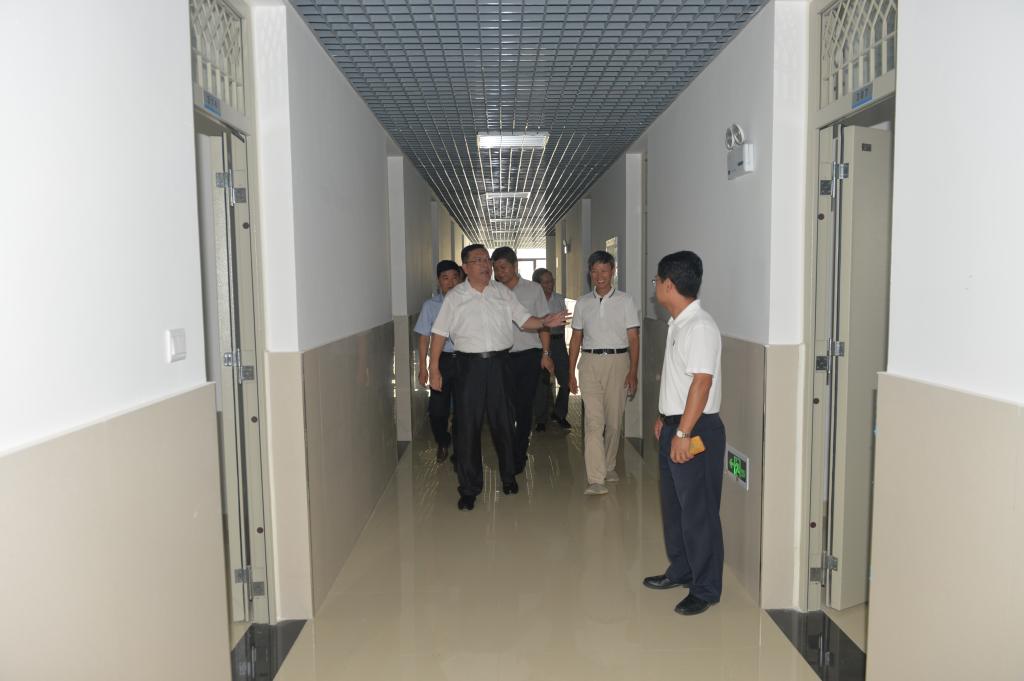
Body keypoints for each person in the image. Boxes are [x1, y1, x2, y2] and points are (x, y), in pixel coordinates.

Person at [430, 244, 569, 511]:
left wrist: (544, 321)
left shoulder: (502, 292)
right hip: (468, 367)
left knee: (503, 422)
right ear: (466, 267)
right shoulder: (456, 297)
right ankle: (469, 488)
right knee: (467, 428)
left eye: (487, 260)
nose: (485, 265)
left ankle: (508, 477)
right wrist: (434, 369)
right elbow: (439, 333)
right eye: (478, 260)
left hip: (500, 364)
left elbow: (524, 320)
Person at [643, 250, 726, 616]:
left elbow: (702, 384)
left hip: (695, 430)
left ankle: (705, 588)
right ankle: (681, 569)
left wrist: (683, 433)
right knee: (675, 508)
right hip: (677, 424)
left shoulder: (700, 327)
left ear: (669, 285)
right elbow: (681, 381)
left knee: (698, 512)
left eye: (657, 281)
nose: (656, 287)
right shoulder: (677, 322)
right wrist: (666, 419)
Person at [568, 250, 639, 495]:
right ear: (590, 273)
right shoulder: (583, 303)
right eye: (594, 271)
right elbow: (575, 339)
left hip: (619, 362)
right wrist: (570, 372)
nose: (599, 276)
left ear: (612, 272)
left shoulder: (626, 301)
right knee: (593, 422)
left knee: (614, 422)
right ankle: (596, 478)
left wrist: (633, 371)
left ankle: (609, 465)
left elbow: (633, 338)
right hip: (589, 362)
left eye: (604, 271)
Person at [491, 247, 553, 472]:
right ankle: (508, 450)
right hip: (501, 357)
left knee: (524, 406)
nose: (499, 273)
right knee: (504, 408)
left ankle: (519, 452)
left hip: (528, 356)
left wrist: (546, 354)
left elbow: (544, 324)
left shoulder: (533, 290)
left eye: (503, 267)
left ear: (515, 265)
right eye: (496, 269)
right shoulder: (491, 291)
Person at [415, 260, 463, 463]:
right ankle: (443, 440)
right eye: (445, 278)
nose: (451, 283)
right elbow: (424, 337)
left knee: (463, 409)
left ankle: (460, 449)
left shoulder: (468, 303)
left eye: (455, 277)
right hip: (441, 362)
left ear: (460, 279)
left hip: (465, 360)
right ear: (438, 281)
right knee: (437, 410)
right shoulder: (430, 306)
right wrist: (423, 367)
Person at [531, 268, 571, 431]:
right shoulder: (533, 301)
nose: (550, 284)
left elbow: (564, 321)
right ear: (537, 285)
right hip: (540, 344)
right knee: (542, 383)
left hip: (558, 343)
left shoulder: (559, 298)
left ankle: (559, 414)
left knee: (566, 380)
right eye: (546, 282)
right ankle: (541, 419)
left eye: (551, 281)